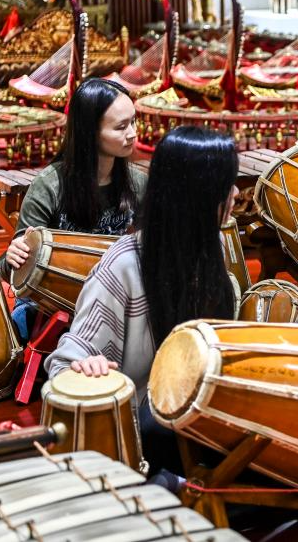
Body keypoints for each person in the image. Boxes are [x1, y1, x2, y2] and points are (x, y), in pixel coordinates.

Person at [45, 125, 240, 478]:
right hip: (143, 436)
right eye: (227, 186)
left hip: (199, 419)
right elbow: (63, 365)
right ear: (198, 195)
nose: (236, 194)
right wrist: (84, 368)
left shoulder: (214, 249)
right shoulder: (123, 266)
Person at [2, 78, 145, 339]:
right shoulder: (49, 186)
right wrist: (14, 256)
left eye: (133, 121)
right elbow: (10, 266)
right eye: (121, 127)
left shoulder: (137, 183)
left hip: (113, 298)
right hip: (50, 306)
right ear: (90, 132)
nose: (133, 133)